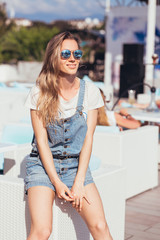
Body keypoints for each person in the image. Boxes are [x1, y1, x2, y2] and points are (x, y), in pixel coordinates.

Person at [25, 31, 113, 240]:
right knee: (42, 231)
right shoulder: (39, 92)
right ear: (54, 56)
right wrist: (56, 182)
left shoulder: (90, 91)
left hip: (75, 166)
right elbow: (42, 142)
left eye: (77, 53)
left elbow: (88, 139)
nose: (72, 58)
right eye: (65, 53)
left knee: (100, 225)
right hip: (42, 167)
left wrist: (79, 181)